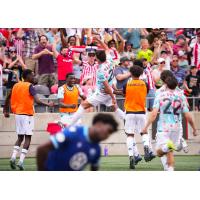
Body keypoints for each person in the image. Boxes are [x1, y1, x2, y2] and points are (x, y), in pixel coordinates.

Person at [142, 76, 197, 171]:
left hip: (163, 127)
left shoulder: (160, 95)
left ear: (166, 84)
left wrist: (145, 127)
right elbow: (188, 115)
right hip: (176, 128)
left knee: (159, 152)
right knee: (170, 152)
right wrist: (194, 129)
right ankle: (170, 169)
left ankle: (166, 147)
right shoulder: (181, 97)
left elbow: (154, 114)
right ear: (176, 85)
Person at [3, 69, 54, 170]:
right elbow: (38, 101)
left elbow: (8, 97)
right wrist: (48, 104)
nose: (34, 77)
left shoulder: (16, 85)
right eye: (32, 75)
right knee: (28, 138)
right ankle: (21, 161)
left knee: (20, 138)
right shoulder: (30, 86)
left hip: (18, 114)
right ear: (27, 76)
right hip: (27, 114)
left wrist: (6, 110)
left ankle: (13, 157)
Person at [36, 113, 118, 171]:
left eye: (110, 133)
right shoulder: (74, 132)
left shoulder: (97, 149)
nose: (107, 135)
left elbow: (94, 167)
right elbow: (42, 149)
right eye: (109, 131)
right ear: (99, 124)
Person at [63, 49, 125, 126]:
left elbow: (106, 86)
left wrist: (113, 97)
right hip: (108, 91)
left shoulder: (100, 70)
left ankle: (68, 125)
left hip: (102, 93)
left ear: (97, 58)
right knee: (115, 109)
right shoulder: (110, 61)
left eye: (95, 56)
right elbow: (107, 49)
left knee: (83, 105)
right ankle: (126, 119)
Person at [123, 65, 155, 169]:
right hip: (141, 111)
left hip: (129, 111)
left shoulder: (127, 84)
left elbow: (124, 94)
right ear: (141, 73)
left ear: (131, 73)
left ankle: (131, 156)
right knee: (144, 132)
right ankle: (146, 146)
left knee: (129, 135)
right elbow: (146, 92)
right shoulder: (145, 84)